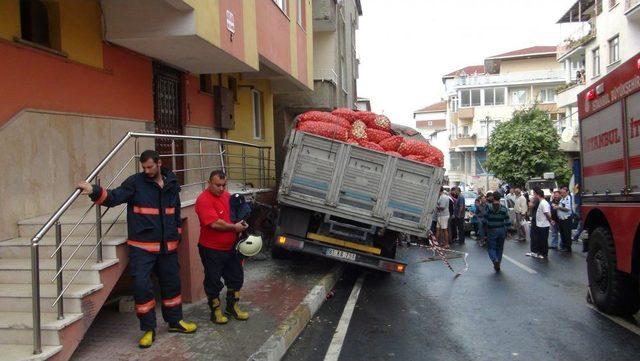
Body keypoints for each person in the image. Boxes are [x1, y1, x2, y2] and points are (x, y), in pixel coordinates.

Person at [77, 150, 197, 348]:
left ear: (159, 163)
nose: (147, 171)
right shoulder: (135, 183)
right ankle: (148, 329)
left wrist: (176, 233)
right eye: (144, 168)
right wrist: (94, 191)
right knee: (142, 287)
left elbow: (175, 211)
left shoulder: (171, 183)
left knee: (172, 285)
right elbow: (114, 197)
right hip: (142, 248)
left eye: (150, 167)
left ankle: (175, 322)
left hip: (168, 247)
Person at [195, 170, 250, 325]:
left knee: (236, 277)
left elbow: (237, 214)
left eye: (223, 185)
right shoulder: (203, 200)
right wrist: (234, 227)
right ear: (209, 183)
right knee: (213, 281)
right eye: (217, 185)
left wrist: (243, 223)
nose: (221, 188)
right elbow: (214, 223)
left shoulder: (227, 196)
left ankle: (232, 307)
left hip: (231, 248)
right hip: (211, 249)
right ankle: (216, 311)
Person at [486, 193, 512, 271]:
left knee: (491, 247)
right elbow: (507, 220)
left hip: (492, 230)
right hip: (501, 230)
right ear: (500, 198)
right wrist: (509, 231)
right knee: (500, 248)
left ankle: (495, 260)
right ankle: (498, 263)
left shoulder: (489, 207)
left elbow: (485, 218)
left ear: (493, 198)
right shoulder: (504, 208)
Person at [527, 187, 554, 259]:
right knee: (540, 239)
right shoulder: (541, 202)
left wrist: (550, 220)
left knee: (543, 240)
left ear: (538, 195)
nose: (533, 196)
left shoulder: (543, 203)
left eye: (534, 194)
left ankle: (544, 254)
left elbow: (546, 213)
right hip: (540, 224)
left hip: (544, 224)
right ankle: (540, 252)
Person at [555, 186, 573, 252]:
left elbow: (567, 209)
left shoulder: (568, 198)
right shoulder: (562, 199)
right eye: (561, 193)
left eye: (563, 193)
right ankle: (564, 246)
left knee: (567, 234)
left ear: (567, 192)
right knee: (562, 233)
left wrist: (558, 207)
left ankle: (568, 247)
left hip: (566, 219)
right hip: (561, 219)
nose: (562, 194)